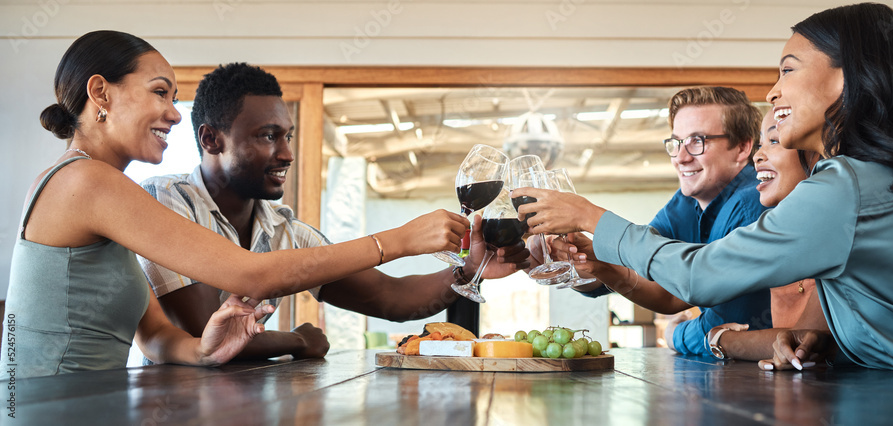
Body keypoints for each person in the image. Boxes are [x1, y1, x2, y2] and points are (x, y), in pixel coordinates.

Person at [514, 3, 893, 377]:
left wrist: (589, 216)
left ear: (848, 79)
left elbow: (697, 278)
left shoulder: (846, 184)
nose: (772, 92)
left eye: (788, 70)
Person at [0, 31, 467, 377]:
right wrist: (399, 240)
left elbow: (159, 337)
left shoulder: (103, 190)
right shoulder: (87, 182)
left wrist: (205, 349)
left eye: (175, 97)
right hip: (46, 406)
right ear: (101, 93)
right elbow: (250, 275)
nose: (172, 113)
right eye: (160, 92)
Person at [138, 63, 529, 360]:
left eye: (287, 135)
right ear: (211, 139)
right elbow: (207, 333)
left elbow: (390, 298)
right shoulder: (166, 199)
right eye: (267, 136)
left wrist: (467, 270)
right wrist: (299, 340)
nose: (287, 153)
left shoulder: (285, 229)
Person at [554, 86, 772, 357]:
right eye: (676, 142)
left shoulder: (753, 203)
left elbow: (733, 328)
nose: (681, 157)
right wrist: (583, 261)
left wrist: (674, 334)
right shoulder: (687, 201)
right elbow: (639, 264)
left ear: (742, 147)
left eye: (697, 141)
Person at [709, 111, 827, 362]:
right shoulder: (781, 233)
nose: (757, 155)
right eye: (760, 143)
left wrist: (722, 339)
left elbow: (800, 341)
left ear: (818, 155)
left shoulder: (838, 229)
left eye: (774, 141)